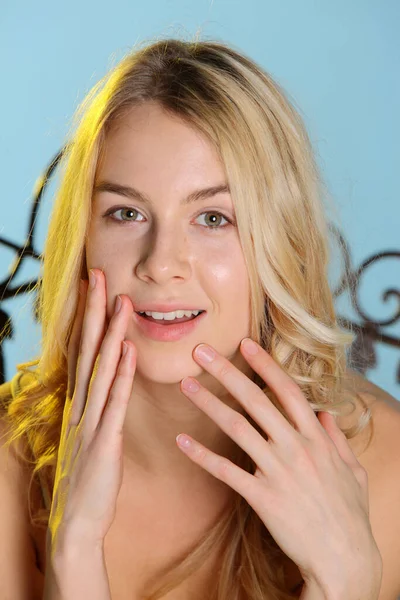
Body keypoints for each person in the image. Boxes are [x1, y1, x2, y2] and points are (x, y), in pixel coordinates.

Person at [0, 36, 398, 600]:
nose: (161, 264)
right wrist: (75, 551)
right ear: (83, 244)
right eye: (126, 212)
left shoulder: (388, 467)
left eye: (213, 217)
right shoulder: (8, 463)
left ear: (278, 244)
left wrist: (347, 584)